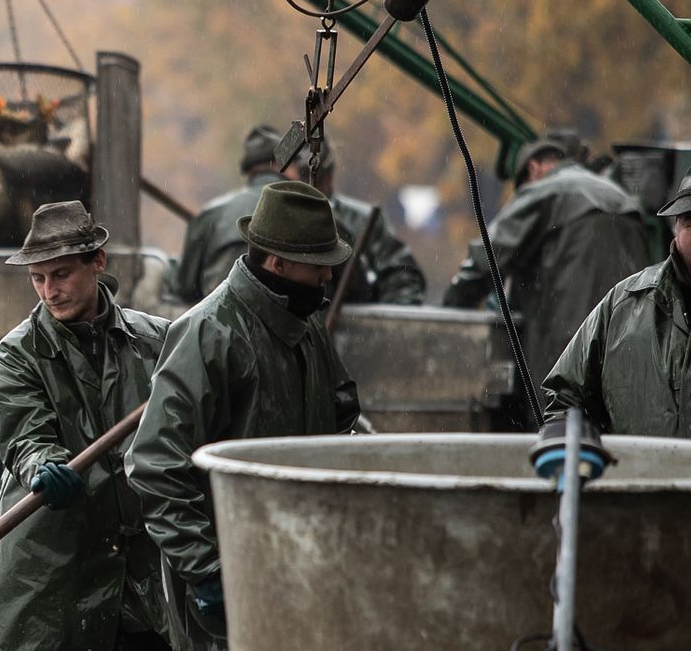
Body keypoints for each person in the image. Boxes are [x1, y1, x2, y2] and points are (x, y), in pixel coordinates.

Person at [127, 181, 360, 651]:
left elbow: (343, 422)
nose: (328, 277)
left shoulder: (305, 331)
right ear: (278, 264)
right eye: (320, 265)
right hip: (223, 578)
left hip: (296, 571)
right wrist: (208, 570)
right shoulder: (208, 333)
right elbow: (153, 466)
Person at [0, 203, 190, 651]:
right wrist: (42, 464)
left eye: (61, 273)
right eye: (38, 278)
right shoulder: (17, 354)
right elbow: (24, 436)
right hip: (49, 579)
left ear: (98, 262)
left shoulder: (158, 343)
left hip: (136, 582)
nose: (50, 290)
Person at [441, 138, 651, 389]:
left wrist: (451, 312)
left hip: (566, 344)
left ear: (533, 169)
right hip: (627, 344)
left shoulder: (545, 189)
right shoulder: (622, 197)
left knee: (559, 415)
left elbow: (487, 257)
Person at [542, 171, 691, 438]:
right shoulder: (623, 304)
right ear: (676, 228)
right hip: (638, 478)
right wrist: (577, 457)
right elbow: (565, 400)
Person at [280, 141, 427, 305]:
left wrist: (375, 323)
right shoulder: (275, 220)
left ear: (329, 179)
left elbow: (403, 279)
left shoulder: (364, 221)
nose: (308, 189)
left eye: (315, 179)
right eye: (300, 180)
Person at [163, 125, 285, 304]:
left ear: (248, 171)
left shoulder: (212, 214)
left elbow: (184, 286)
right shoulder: (315, 211)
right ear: (283, 165)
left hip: (221, 321)